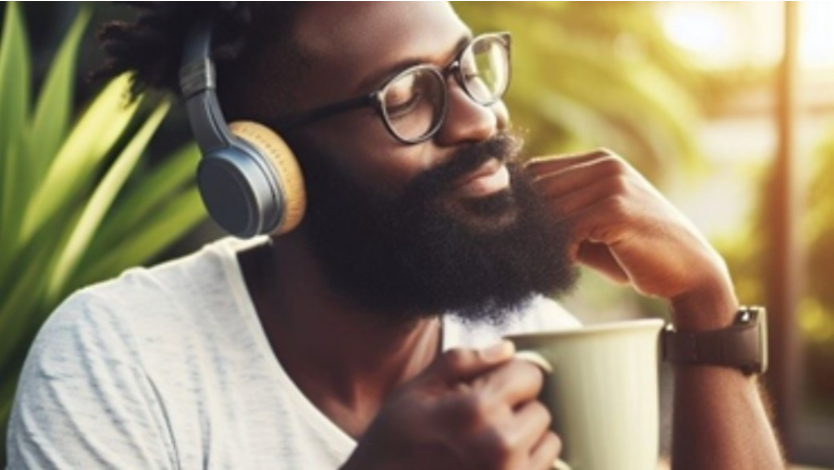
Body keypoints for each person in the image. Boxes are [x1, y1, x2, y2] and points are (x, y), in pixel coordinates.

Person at [7, 3, 784, 470]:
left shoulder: (532, 345)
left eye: (468, 68)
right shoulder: (117, 358)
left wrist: (706, 302)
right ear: (269, 172)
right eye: (407, 96)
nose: (480, 118)